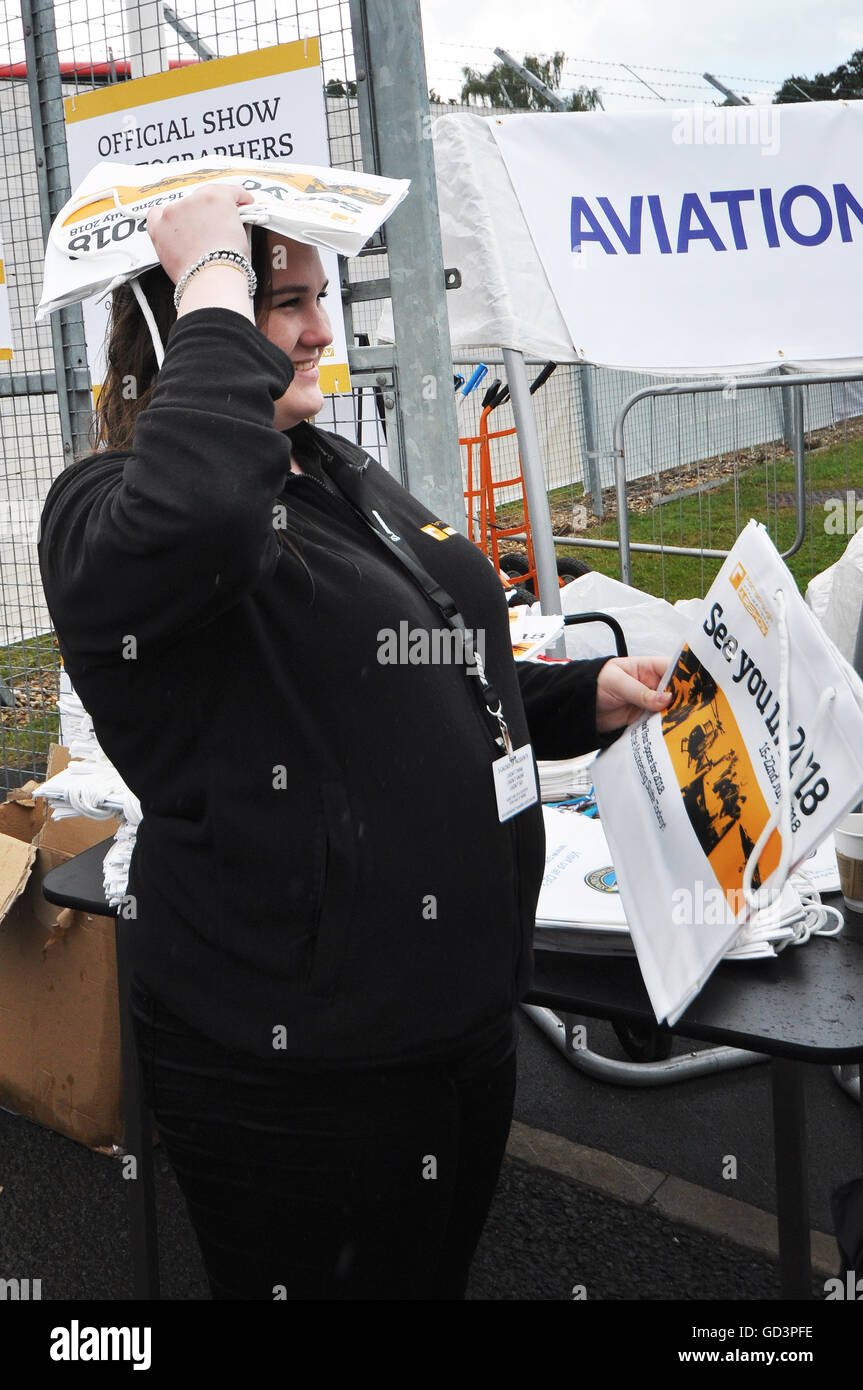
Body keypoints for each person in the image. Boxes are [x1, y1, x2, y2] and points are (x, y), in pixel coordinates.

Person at [38, 182, 671, 1301]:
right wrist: (209, 279)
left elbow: (415, 650)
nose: (322, 330)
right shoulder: (109, 509)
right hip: (297, 1063)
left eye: (317, 299)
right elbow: (203, 517)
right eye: (282, 302)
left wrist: (577, 698)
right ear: (187, 331)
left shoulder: (321, 466)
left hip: (451, 1022)